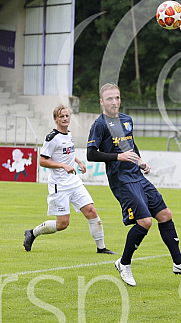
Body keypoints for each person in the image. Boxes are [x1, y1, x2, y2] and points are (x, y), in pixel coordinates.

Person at [86, 83, 181, 286]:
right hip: (121, 181)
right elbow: (91, 154)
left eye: (117, 97)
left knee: (165, 215)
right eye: (110, 98)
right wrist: (118, 157)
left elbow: (131, 144)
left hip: (137, 177)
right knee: (145, 222)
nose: (115, 102)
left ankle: (178, 263)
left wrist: (140, 161)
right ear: (101, 101)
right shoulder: (99, 124)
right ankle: (124, 263)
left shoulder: (126, 120)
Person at [23, 104, 116, 255]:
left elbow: (67, 153)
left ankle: (101, 248)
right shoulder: (52, 138)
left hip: (74, 182)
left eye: (67, 116)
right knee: (62, 224)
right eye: (61, 116)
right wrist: (63, 166)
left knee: (91, 211)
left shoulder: (69, 134)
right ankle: (33, 233)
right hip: (59, 185)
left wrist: (78, 161)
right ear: (55, 119)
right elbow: (42, 161)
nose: (65, 119)